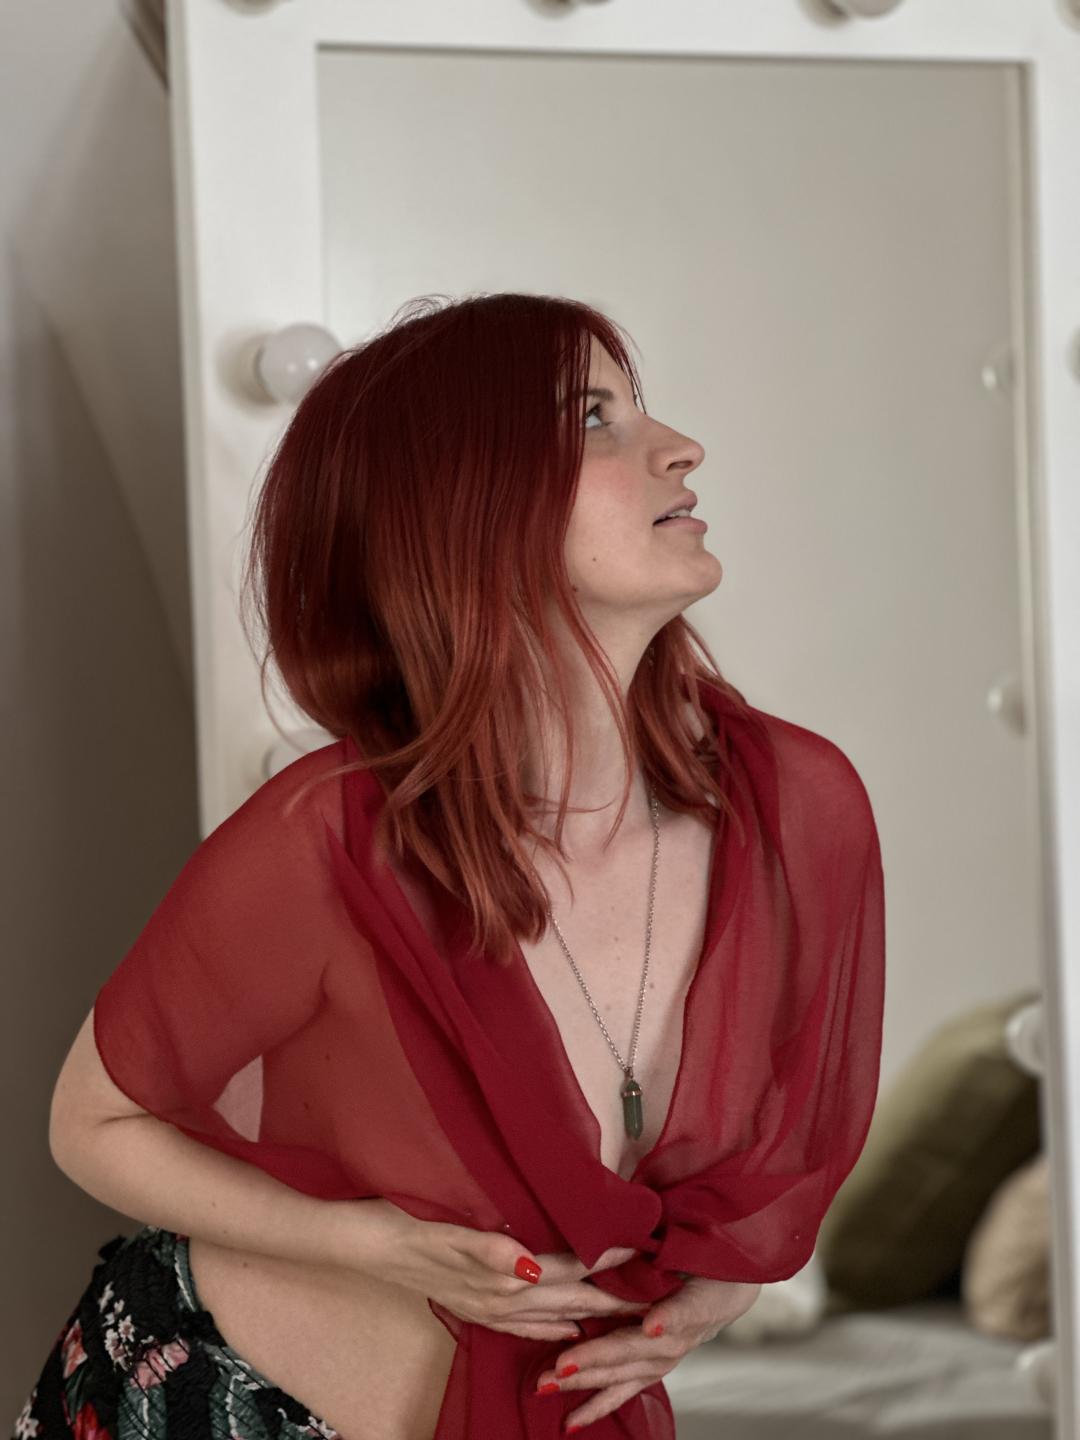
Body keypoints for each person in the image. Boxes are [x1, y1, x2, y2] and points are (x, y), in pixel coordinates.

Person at [16, 293, 885, 1440]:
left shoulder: (795, 817)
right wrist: (370, 1243)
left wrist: (724, 1282)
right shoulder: (329, 839)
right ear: (463, 505)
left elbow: (759, 1178)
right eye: (593, 419)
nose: (682, 447)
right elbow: (92, 1121)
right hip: (213, 1402)